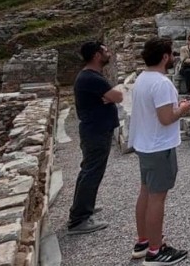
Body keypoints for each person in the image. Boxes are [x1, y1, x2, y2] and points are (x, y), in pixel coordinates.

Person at [129, 38, 190, 264]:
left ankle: (143, 241)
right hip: (159, 147)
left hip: (145, 144)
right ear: (165, 57)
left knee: (145, 192)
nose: (174, 57)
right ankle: (156, 251)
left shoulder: (141, 79)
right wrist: (183, 108)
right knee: (157, 198)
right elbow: (166, 118)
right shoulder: (162, 83)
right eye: (171, 54)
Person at [67, 41, 123, 235]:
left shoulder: (90, 77)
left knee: (90, 171)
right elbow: (118, 96)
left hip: (96, 130)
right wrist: (110, 96)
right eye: (105, 50)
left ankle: (83, 207)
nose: (109, 53)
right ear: (97, 55)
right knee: (91, 172)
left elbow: (111, 96)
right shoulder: (92, 79)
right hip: (96, 132)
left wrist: (109, 96)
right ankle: (79, 219)